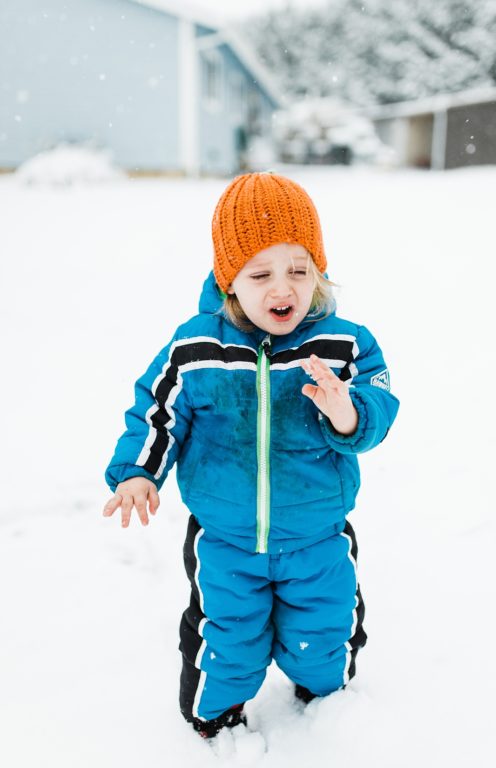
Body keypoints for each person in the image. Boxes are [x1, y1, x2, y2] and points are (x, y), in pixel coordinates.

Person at [102, 172, 399, 738]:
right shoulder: (197, 346)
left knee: (324, 634)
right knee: (227, 638)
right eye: (260, 274)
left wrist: (349, 412)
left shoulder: (344, 343)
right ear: (228, 279)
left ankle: (325, 707)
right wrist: (138, 471)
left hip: (318, 533)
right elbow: (156, 409)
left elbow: (380, 403)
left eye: (299, 270)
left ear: (319, 271)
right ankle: (217, 720)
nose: (282, 289)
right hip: (226, 538)